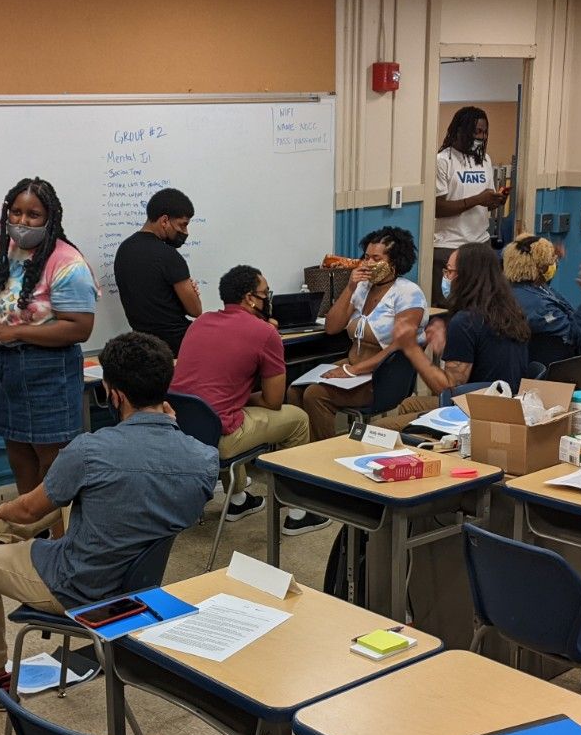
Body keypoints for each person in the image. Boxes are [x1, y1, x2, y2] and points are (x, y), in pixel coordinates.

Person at [0, 333, 218, 708]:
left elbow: (28, 512)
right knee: (77, 492)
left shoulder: (90, 450)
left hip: (78, 586)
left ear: (113, 394)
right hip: (141, 589)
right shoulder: (204, 460)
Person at [168, 265, 329, 536]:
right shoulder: (265, 334)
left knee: (232, 410)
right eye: (265, 293)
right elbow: (274, 400)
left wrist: (238, 399)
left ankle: (238, 500)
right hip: (219, 438)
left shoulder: (201, 323)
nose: (269, 299)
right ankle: (298, 513)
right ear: (250, 298)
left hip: (185, 433)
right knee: (298, 419)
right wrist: (244, 398)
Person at [0, 176, 97, 501]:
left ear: (49, 218)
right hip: (6, 370)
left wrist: (11, 332)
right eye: (16, 212)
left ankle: (57, 543)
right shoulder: (1, 256)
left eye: (33, 215)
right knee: (19, 455)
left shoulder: (67, 262)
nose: (22, 221)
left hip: (47, 372)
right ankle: (31, 535)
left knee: (52, 464)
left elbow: (80, 327)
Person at [373, 243, 530, 432]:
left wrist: (412, 349)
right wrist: (448, 346)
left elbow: (449, 390)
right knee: (409, 404)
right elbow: (484, 357)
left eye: (449, 271)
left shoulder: (466, 321)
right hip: (508, 404)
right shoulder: (509, 311)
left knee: (378, 428)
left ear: (467, 277)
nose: (445, 277)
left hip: (475, 416)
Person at [295, 226, 426, 440]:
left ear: (395, 262)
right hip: (354, 366)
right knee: (295, 390)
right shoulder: (363, 288)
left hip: (384, 376)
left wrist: (353, 370)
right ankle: (299, 454)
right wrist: (350, 288)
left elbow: (398, 346)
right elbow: (332, 327)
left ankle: (323, 455)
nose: (369, 264)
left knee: (315, 395)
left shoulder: (408, 293)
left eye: (376, 258)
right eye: (366, 258)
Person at [114, 187, 200, 355]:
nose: (185, 232)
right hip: (179, 344)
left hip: (143, 345)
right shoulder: (169, 256)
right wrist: (192, 294)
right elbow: (196, 310)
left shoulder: (124, 249)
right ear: (165, 220)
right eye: (182, 225)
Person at [434, 106, 506, 280]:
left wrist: (496, 200)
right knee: (451, 304)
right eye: (476, 131)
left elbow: (485, 205)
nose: (481, 137)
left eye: (484, 132)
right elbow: (438, 208)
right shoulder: (443, 161)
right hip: (449, 245)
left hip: (481, 243)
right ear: (459, 131)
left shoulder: (484, 159)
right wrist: (478, 199)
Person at [502, 233, 581, 359]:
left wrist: (554, 257)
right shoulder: (539, 307)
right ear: (538, 268)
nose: (552, 265)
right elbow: (573, 335)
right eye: (549, 263)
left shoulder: (517, 288)